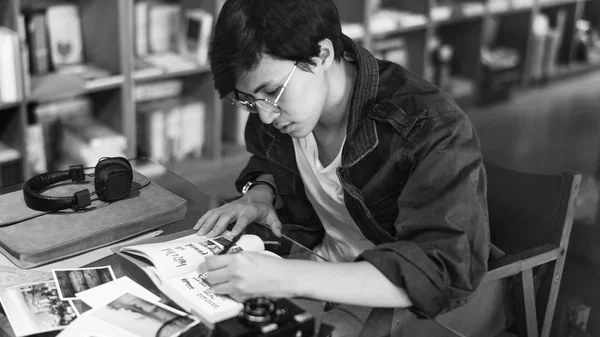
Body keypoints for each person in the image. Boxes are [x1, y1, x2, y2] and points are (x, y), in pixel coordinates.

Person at [194, 0, 491, 335]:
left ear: (321, 55)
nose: (264, 115)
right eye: (248, 101)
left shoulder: (429, 125)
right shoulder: (284, 110)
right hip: (316, 264)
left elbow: (439, 270)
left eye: (272, 92)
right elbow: (266, 158)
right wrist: (260, 194)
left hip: (391, 300)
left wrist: (286, 279)